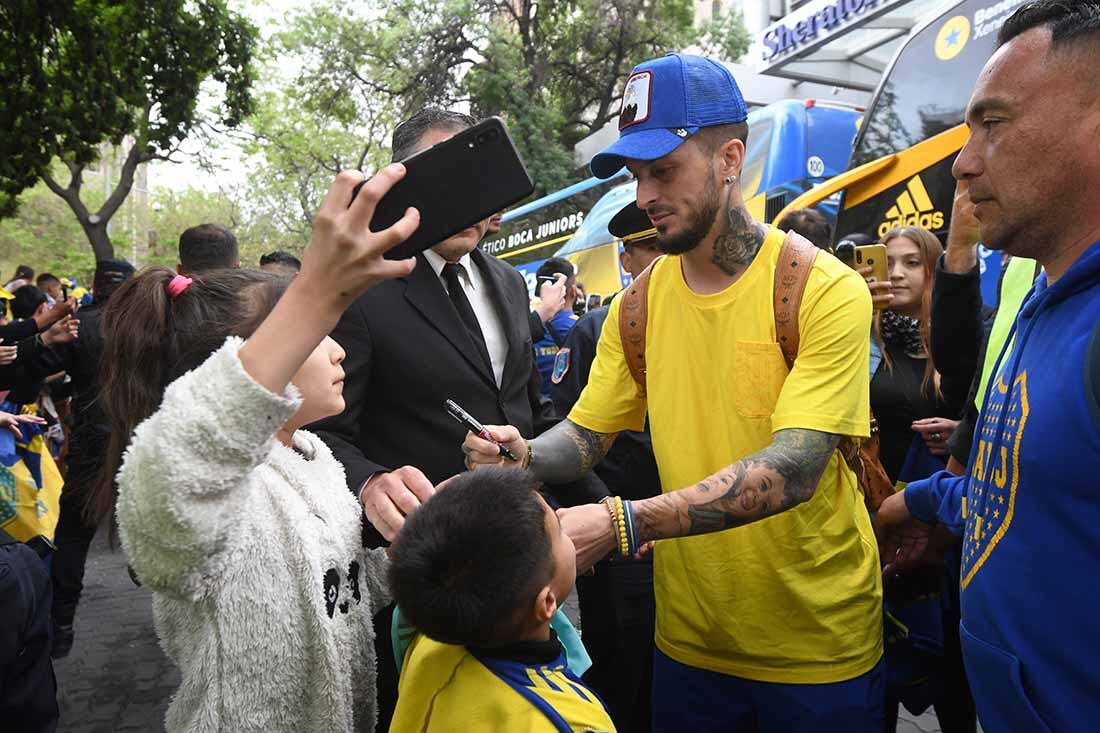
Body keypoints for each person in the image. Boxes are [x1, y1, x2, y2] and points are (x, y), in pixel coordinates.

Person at [464, 53, 882, 732]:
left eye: (663, 170)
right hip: (688, 646)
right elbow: (587, 436)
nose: (645, 194)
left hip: (818, 650)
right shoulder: (638, 307)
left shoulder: (823, 289)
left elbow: (797, 468)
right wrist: (525, 455)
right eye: (635, 176)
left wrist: (624, 521)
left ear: (730, 159)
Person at [92, 167, 416, 732]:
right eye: (315, 335)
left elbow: (356, 584)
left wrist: (438, 521)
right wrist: (312, 292)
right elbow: (189, 448)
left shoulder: (318, 457)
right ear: (229, 374)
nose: (339, 352)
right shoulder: (194, 488)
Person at [874, 3, 1100, 731]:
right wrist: (929, 504)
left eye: (992, 124)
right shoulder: (1036, 294)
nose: (963, 163)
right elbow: (1026, 485)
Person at [310, 107, 558, 729]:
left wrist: (527, 450)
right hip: (421, 585)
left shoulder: (507, 281)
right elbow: (320, 432)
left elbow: (526, 407)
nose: (479, 203)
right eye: (457, 179)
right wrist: (369, 482)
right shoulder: (362, 288)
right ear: (404, 181)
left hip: (522, 571)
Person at [388, 466, 615, 733]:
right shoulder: (570, 721)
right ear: (546, 603)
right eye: (560, 531)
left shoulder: (427, 639)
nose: (568, 535)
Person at [551, 200, 663, 733]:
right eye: (649, 250)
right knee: (621, 673)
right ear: (626, 257)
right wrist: (609, 510)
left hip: (693, 530)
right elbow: (567, 433)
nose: (661, 261)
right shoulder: (597, 329)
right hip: (617, 535)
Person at [49, 259, 135, 658]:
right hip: (140, 438)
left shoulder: (79, 324)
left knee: (73, 534)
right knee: (145, 516)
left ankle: (61, 623)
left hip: (91, 438)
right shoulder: (147, 323)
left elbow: (50, 373)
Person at [533, 257, 579, 395]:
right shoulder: (579, 326)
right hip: (571, 411)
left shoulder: (525, 329)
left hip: (538, 411)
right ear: (573, 291)